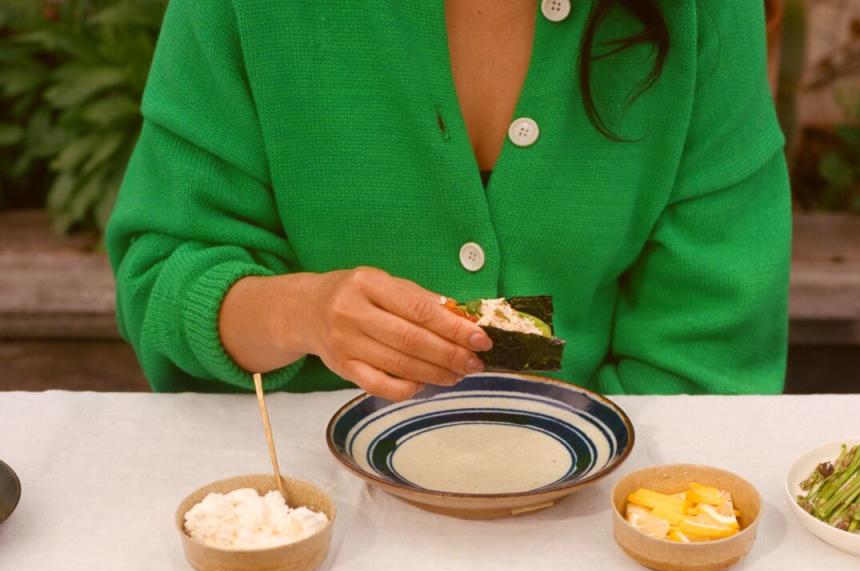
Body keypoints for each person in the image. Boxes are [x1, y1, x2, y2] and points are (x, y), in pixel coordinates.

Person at [107, 0, 791, 399]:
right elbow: (165, 276)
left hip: (609, 508)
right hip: (306, 508)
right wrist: (303, 312)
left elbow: (711, 337)